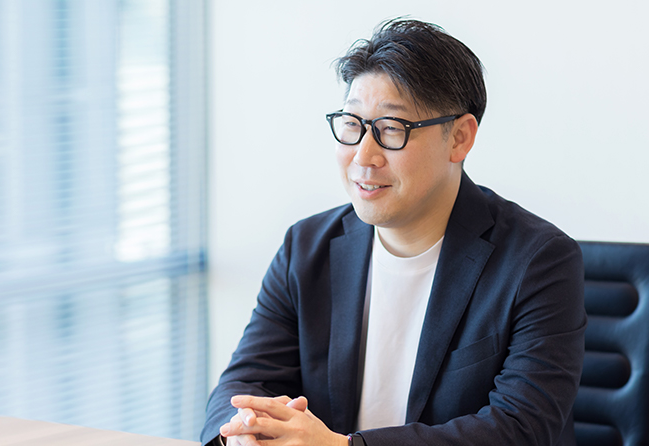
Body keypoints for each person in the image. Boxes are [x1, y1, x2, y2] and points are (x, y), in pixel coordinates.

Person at [201, 18, 586, 446]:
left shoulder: (539, 262)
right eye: (352, 124)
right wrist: (242, 432)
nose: (363, 156)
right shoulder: (306, 248)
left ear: (459, 138)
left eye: (390, 129)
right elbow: (246, 382)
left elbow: (520, 428)